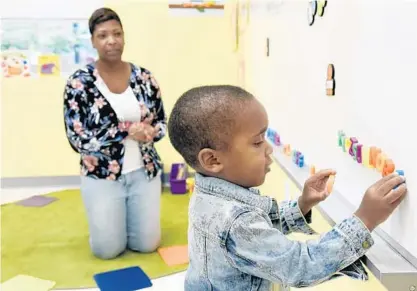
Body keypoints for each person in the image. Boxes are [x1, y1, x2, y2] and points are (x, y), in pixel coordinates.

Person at [167, 85, 407, 290]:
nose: (269, 149)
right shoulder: (234, 219)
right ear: (213, 160)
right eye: (258, 142)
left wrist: (303, 204)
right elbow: (300, 266)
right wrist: (365, 218)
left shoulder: (212, 194)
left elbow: (261, 228)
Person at [63, 7, 166, 259]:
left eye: (117, 33)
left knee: (147, 245)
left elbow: (163, 122)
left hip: (145, 171)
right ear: (93, 41)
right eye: (103, 35)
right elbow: (77, 138)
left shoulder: (144, 77)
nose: (111, 41)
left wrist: (151, 131)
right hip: (101, 174)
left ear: (123, 36)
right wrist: (126, 131)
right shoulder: (79, 83)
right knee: (107, 250)